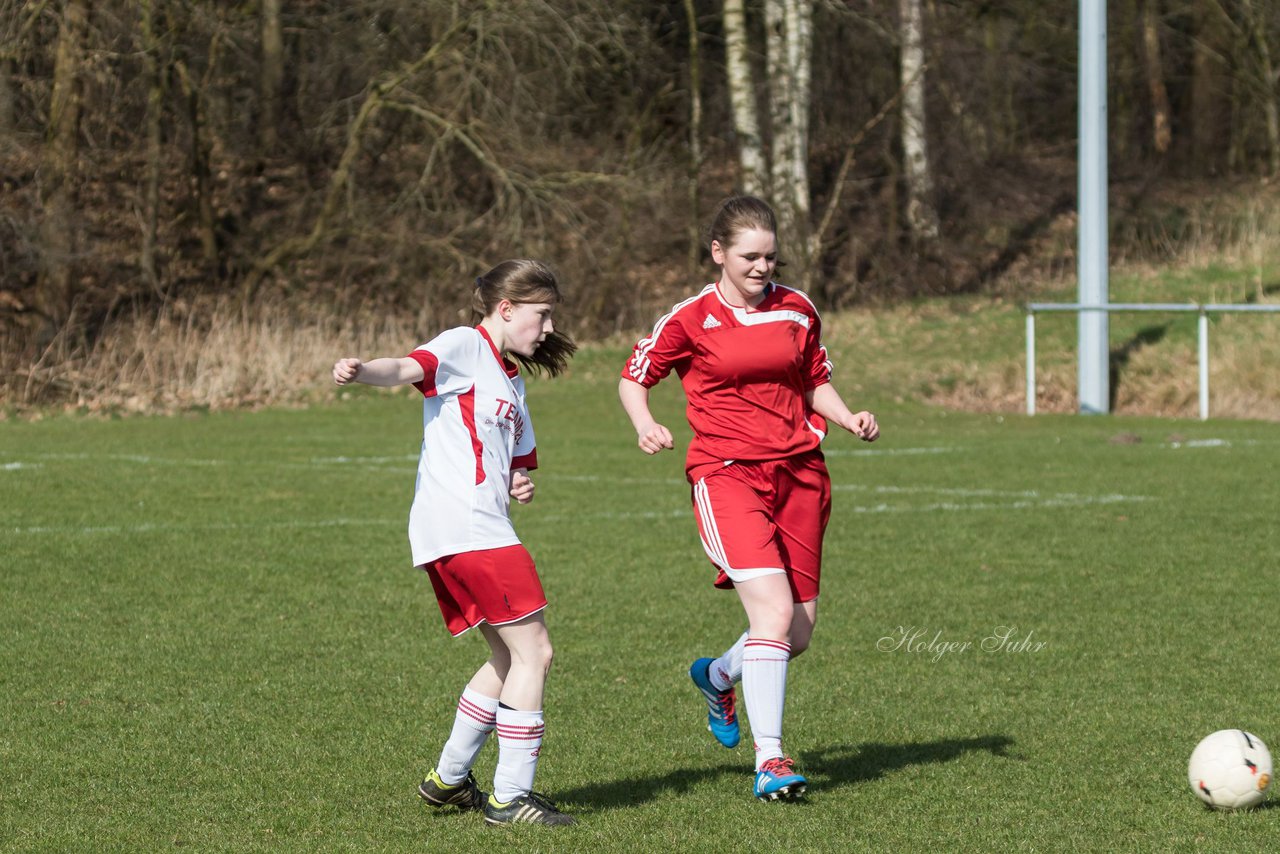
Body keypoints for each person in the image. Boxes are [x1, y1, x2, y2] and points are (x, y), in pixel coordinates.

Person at [618, 196, 880, 802]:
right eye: (749, 256)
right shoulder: (689, 318)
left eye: (770, 256)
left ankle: (716, 676)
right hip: (727, 472)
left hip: (801, 474)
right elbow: (635, 376)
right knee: (771, 614)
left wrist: (847, 417)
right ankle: (771, 760)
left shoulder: (798, 309)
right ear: (718, 253)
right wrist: (644, 423)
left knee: (799, 633)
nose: (763, 267)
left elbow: (814, 379)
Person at [333, 259, 578, 827]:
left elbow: (513, 459)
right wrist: (361, 370)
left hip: (459, 528)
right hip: (468, 528)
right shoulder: (465, 344)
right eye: (540, 317)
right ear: (506, 308)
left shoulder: (511, 380)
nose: (546, 330)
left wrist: (517, 481)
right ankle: (510, 797)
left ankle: (447, 779)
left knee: (506, 654)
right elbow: (407, 366)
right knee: (535, 652)